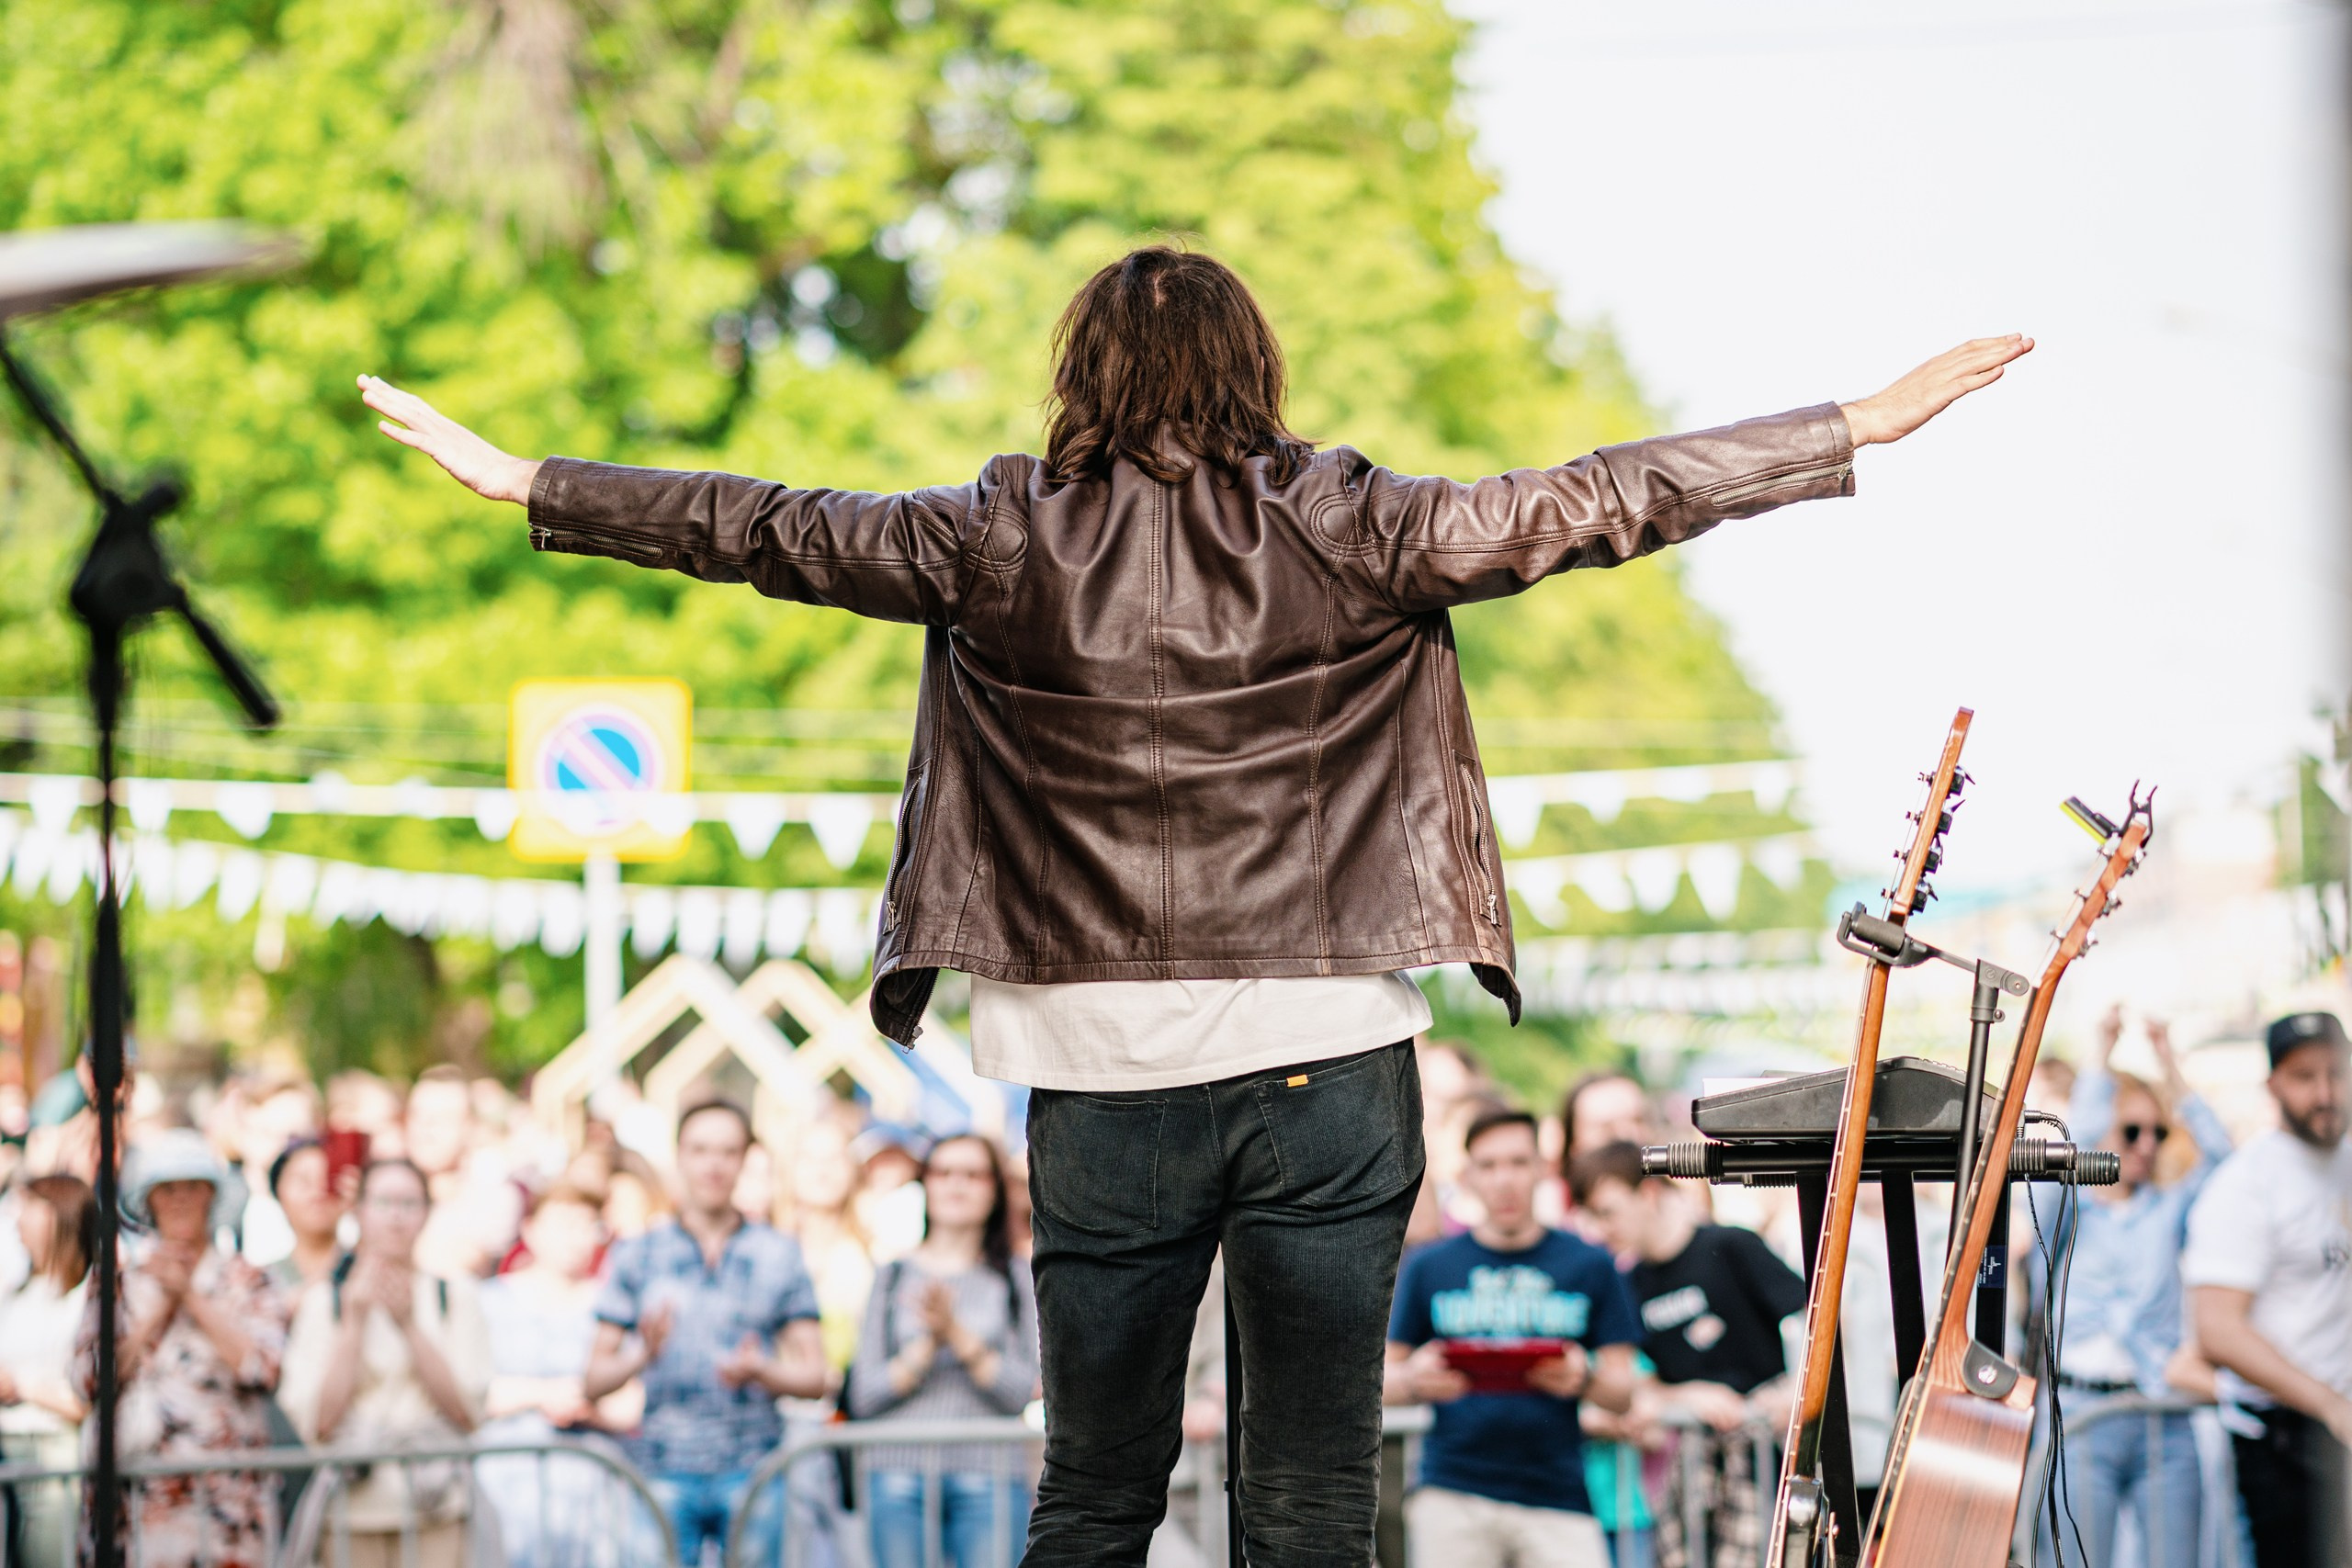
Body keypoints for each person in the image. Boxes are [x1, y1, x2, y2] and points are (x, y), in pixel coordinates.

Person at [361, 243, 2027, 1564]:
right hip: (1330, 1056)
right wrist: (1845, 428)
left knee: (1090, 1500)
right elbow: (1588, 499)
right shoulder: (1352, 523)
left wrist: (535, 483)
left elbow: (766, 527)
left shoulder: (993, 537)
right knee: (1306, 1514)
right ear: (1255, 370)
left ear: (1080, 375)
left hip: (1097, 1075)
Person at [1386, 1107, 1641, 1567]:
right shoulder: (1430, 1265)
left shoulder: (1589, 1263)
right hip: (1451, 1492)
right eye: (1489, 1165)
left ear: (1543, 1170)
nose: (1504, 1180)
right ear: (1467, 1177)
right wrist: (1414, 1380)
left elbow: (1623, 1392)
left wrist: (1584, 1377)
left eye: (1518, 1162)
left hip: (1558, 1496)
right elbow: (1380, 1381)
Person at [583, 1100, 829, 1565]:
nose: (713, 1165)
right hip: (661, 1468)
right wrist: (643, 1354)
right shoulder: (638, 1253)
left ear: (744, 1159)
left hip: (754, 1467)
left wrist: (761, 1370)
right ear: (679, 1156)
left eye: (727, 1151)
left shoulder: (779, 1253)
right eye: (700, 1150)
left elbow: (815, 1376)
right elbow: (593, 1380)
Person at [2044, 1010, 2233, 1568]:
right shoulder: (2066, 1210)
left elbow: (2225, 1165)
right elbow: (2067, 1145)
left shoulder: (2169, 1210)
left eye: (2158, 1131)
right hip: (2080, 1416)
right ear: (2106, 1128)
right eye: (2132, 1130)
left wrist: (2170, 1065)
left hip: (2161, 1416)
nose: (2146, 1144)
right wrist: (2101, 1059)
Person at [1570, 1141, 1806, 1568]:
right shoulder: (1627, 1283)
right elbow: (1638, 1382)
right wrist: (1690, 1396)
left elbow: (1815, 1319)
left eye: (1609, 1212)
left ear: (1649, 1195)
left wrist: (1798, 1389)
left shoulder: (1731, 1246)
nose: (1602, 1229)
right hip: (1697, 1469)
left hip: (1774, 1452)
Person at [74, 1129, 291, 1568]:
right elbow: (88, 1379)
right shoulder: (116, 1282)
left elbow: (264, 1369)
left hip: (225, 1506)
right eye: (167, 1190)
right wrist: (160, 1308)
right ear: (148, 1200)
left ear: (212, 1197)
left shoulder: (249, 1279)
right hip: (133, 1503)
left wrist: (191, 1296)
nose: (179, 1201)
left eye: (192, 1188)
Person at [2184, 1010, 2352, 1568]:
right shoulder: (2244, 1185)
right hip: (2287, 1443)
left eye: (2337, 1072)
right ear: (2273, 1084)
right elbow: (2218, 1331)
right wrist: (2329, 1404)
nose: (2326, 1092)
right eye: (2305, 1077)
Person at [279, 1156, 493, 1568]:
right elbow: (319, 1422)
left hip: (437, 1507)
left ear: (427, 1213)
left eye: (409, 1204)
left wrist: (409, 1325)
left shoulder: (456, 1296)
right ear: (359, 1210)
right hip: (350, 1511)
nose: (396, 1218)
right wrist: (354, 1324)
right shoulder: (324, 1303)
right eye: (383, 1203)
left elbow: (467, 1411)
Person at [846, 1133, 1041, 1568]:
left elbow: (1023, 1389)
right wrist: (927, 1346)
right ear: (925, 1184)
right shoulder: (892, 1274)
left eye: (973, 1175)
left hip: (989, 1472)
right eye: (944, 1172)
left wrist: (956, 1334)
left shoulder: (1015, 1277)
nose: (957, 1185)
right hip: (896, 1471)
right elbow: (864, 1393)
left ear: (994, 1190)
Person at [479, 1182, 646, 1568]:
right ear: (531, 1230)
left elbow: (633, 1403)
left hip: (594, 1495)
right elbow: (469, 1393)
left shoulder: (613, 1304)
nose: (576, 1237)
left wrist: (587, 1407)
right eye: (565, 1224)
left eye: (588, 1225)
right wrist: (542, 1395)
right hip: (506, 1490)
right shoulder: (489, 1301)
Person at [0, 1173, 95, 1565]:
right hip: (9, 1448)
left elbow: (89, 1397)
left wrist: (20, 1386)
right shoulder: (17, 1294)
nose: (18, 1220)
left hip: (52, 1451)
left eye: (30, 1208)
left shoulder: (89, 1297)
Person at [265, 1135, 353, 1295]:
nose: (317, 1192)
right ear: (279, 1193)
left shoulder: (367, 1270)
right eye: (304, 1182)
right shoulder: (264, 1281)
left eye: (328, 1180)